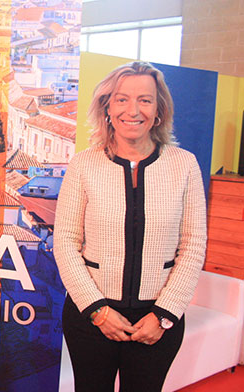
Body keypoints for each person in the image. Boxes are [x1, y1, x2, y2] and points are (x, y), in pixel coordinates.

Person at [54, 61, 207, 391]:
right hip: (90, 317)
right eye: (122, 99)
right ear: (107, 106)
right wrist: (97, 311)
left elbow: (193, 245)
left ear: (159, 109)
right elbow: (65, 241)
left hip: (157, 321)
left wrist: (164, 315)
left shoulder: (185, 165)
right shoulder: (83, 164)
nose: (133, 110)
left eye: (145, 100)